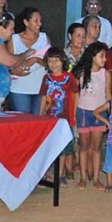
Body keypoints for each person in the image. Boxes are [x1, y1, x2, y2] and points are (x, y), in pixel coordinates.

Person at [73, 42, 112, 190]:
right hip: (83, 111)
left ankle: (96, 178)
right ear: (92, 57)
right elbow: (74, 93)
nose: (104, 59)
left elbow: (108, 95)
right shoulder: (82, 72)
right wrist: (73, 112)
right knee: (84, 146)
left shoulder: (105, 74)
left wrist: (110, 115)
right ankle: (83, 178)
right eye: (101, 56)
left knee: (96, 147)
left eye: (105, 56)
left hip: (99, 113)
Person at [39, 46, 78, 184]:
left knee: (62, 147)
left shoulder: (69, 77)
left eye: (57, 61)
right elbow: (44, 96)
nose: (53, 64)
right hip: (50, 118)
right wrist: (40, 114)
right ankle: (44, 173)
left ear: (62, 62)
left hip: (64, 119)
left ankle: (60, 174)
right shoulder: (46, 78)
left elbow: (75, 94)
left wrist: (74, 113)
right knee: (48, 146)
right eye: (50, 61)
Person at [7, 6, 50, 113]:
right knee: (22, 122)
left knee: (37, 123)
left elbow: (51, 63)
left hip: (40, 88)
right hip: (19, 89)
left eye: (40, 21)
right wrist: (13, 70)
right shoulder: (14, 39)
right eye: (35, 21)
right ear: (26, 22)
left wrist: (35, 60)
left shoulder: (44, 38)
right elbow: (6, 63)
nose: (39, 24)